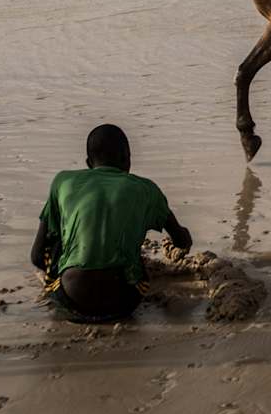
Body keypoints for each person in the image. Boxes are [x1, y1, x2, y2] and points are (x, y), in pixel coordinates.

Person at [31, 124, 192, 322]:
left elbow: (37, 256)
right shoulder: (146, 189)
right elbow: (181, 240)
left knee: (56, 241)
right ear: (127, 158)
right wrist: (184, 238)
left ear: (89, 163)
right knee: (133, 255)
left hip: (73, 301)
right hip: (124, 303)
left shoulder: (62, 182)